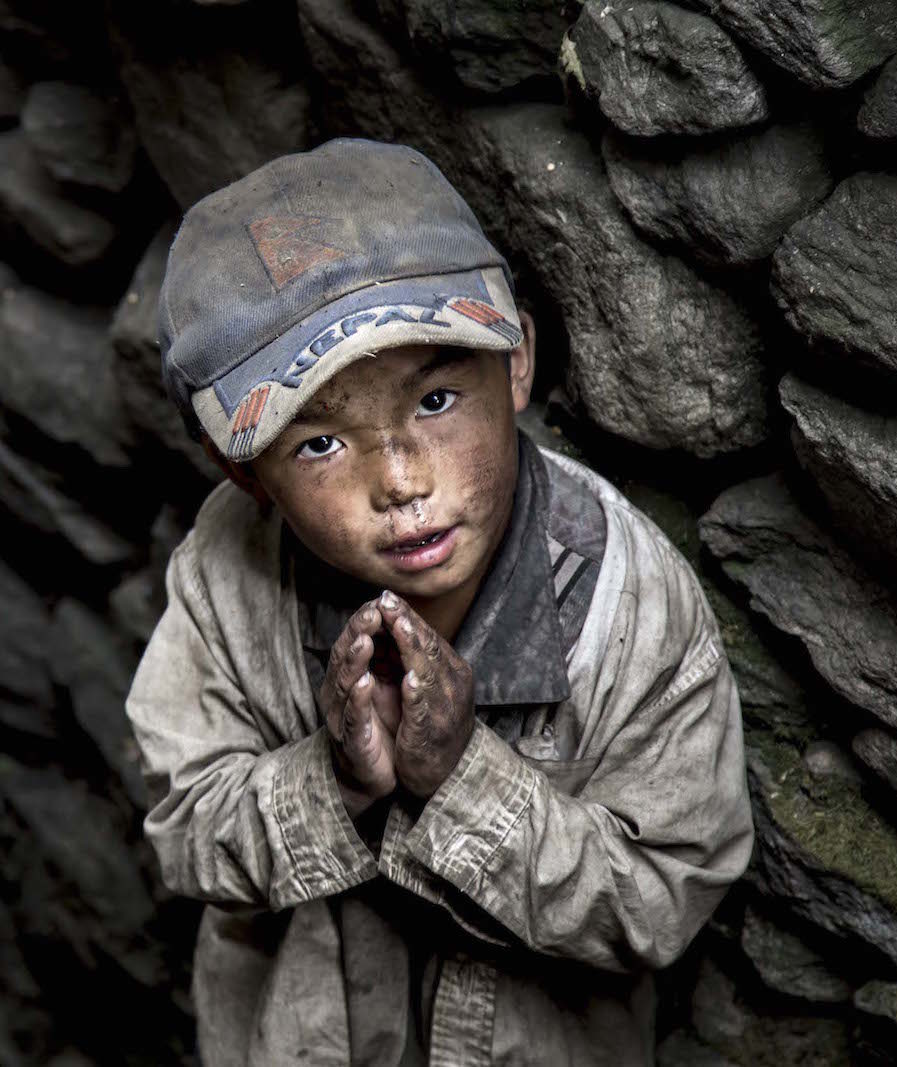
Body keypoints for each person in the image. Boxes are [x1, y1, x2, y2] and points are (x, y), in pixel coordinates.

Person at [123, 138, 754, 1066]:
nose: (400, 480)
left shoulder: (626, 603)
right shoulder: (229, 572)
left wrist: (462, 777)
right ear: (246, 474)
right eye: (320, 446)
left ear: (518, 363)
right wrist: (331, 780)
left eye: (437, 399)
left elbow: (661, 896)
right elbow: (181, 824)